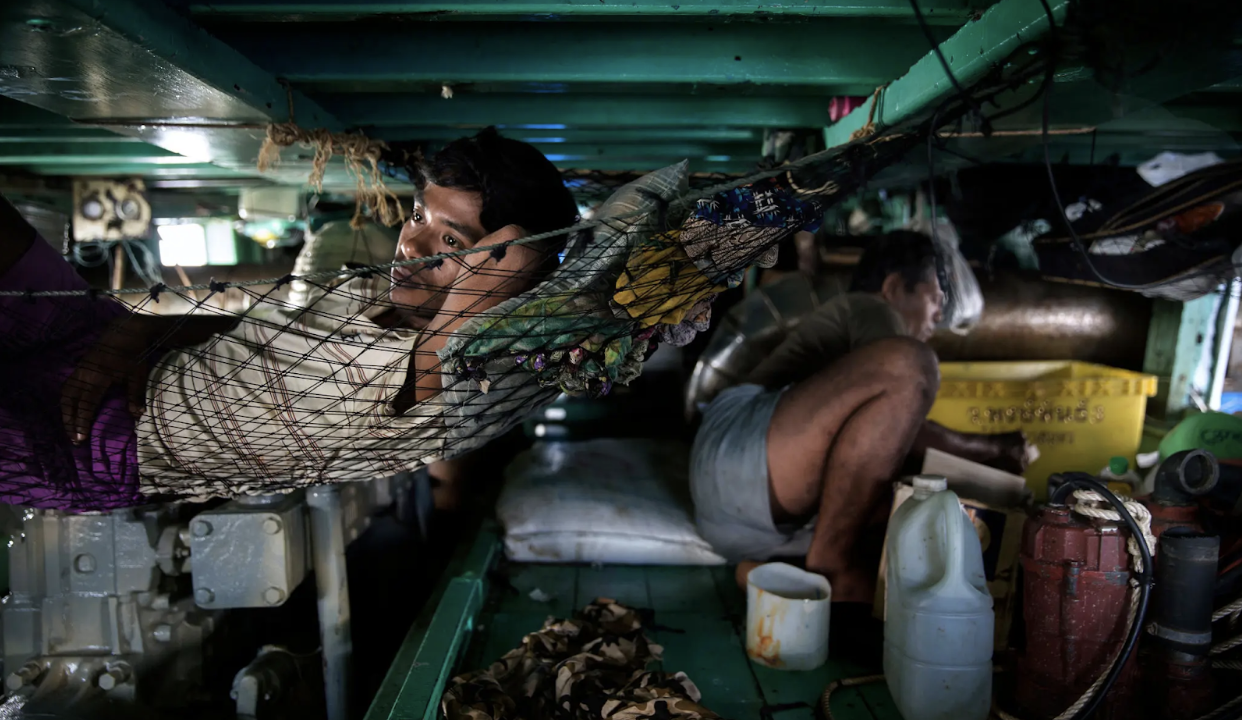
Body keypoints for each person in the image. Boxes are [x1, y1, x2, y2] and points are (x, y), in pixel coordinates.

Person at [0, 127, 577, 511]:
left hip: (104, 446)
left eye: (452, 241)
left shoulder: (449, 375)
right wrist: (143, 329)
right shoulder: (369, 287)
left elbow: (521, 251)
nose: (412, 247)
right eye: (419, 215)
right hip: (112, 349)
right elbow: (260, 339)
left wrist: (532, 249)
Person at [689, 230, 1030, 602]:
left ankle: (789, 572)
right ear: (893, 287)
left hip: (743, 516)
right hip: (737, 450)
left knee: (908, 501)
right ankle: (830, 565)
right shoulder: (870, 307)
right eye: (934, 298)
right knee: (912, 364)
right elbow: (912, 425)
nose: (938, 315)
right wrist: (995, 447)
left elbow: (884, 443)